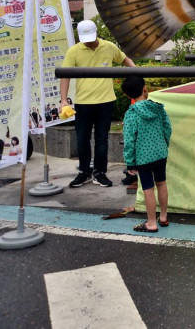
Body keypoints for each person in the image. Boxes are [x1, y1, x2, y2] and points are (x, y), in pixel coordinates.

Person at [61, 19, 135, 188]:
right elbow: (65, 75)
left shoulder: (108, 47)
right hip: (83, 102)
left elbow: (125, 59)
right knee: (82, 140)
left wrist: (137, 76)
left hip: (106, 101)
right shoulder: (74, 51)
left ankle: (100, 173)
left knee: (102, 140)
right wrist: (64, 100)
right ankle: (84, 172)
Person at [122, 76, 172, 233]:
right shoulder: (158, 108)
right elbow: (167, 128)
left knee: (148, 189)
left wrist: (130, 162)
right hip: (160, 153)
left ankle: (151, 222)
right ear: (144, 89)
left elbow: (129, 139)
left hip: (143, 157)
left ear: (128, 95)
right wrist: (164, 145)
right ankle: (163, 217)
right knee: (162, 183)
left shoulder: (131, 113)